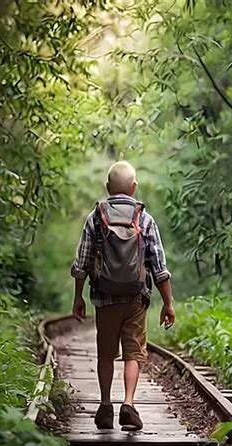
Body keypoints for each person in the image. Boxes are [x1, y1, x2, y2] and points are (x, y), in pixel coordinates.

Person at [71, 160, 175, 431]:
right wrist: (168, 303)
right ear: (134, 187)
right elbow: (158, 265)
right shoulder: (145, 218)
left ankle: (106, 406)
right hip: (135, 298)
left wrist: (78, 297)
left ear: (108, 188)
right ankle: (128, 404)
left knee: (105, 354)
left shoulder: (95, 217)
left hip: (104, 297)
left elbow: (81, 262)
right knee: (133, 353)